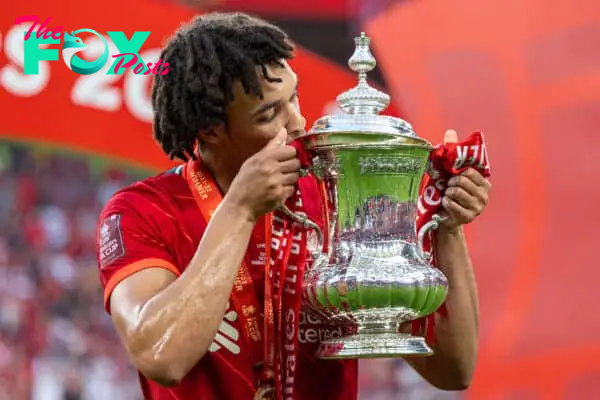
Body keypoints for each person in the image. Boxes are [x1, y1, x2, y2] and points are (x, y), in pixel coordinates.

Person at [95, 12, 490, 400]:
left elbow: (453, 370)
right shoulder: (141, 212)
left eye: (294, 97)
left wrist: (448, 229)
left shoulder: (334, 198)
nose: (299, 122)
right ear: (211, 131)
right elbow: (160, 356)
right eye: (269, 114)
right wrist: (241, 209)